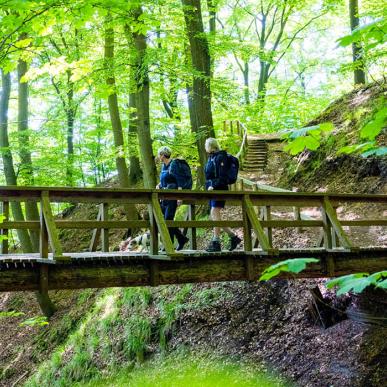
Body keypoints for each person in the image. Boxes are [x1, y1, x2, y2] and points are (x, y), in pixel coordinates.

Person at [204, 138, 242, 252]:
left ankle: (216, 242)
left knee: (214, 213)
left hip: (219, 189)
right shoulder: (212, 158)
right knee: (214, 216)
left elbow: (223, 177)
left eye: (206, 146)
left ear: (211, 146)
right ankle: (233, 237)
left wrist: (214, 186)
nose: (205, 148)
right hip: (212, 190)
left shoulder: (221, 157)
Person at [156, 146, 189, 251]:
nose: (158, 157)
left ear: (162, 155)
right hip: (165, 197)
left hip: (173, 196)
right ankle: (181, 238)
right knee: (166, 220)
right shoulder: (164, 166)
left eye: (159, 155)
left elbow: (179, 181)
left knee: (168, 220)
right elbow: (166, 180)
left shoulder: (173, 164)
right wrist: (159, 185)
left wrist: (179, 197)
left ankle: (169, 245)